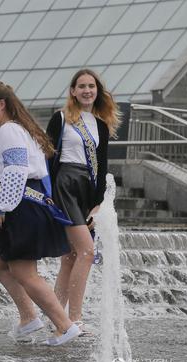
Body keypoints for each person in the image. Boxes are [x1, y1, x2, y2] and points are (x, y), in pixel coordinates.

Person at [0, 81, 80, 345]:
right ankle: (28, 318)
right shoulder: (18, 128)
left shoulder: (10, 130)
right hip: (29, 204)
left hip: (22, 206)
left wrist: (1, 206)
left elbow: (17, 170)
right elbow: (25, 162)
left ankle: (65, 326)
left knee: (24, 272)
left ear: (1, 104)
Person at [46, 69, 120, 333]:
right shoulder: (62, 118)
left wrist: (98, 202)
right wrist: (48, 195)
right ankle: (74, 320)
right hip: (64, 185)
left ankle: (57, 320)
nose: (87, 90)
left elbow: (102, 165)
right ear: (73, 91)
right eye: (82, 86)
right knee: (87, 252)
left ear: (97, 90)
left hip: (86, 190)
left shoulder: (100, 124)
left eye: (92, 86)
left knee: (71, 256)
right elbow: (48, 156)